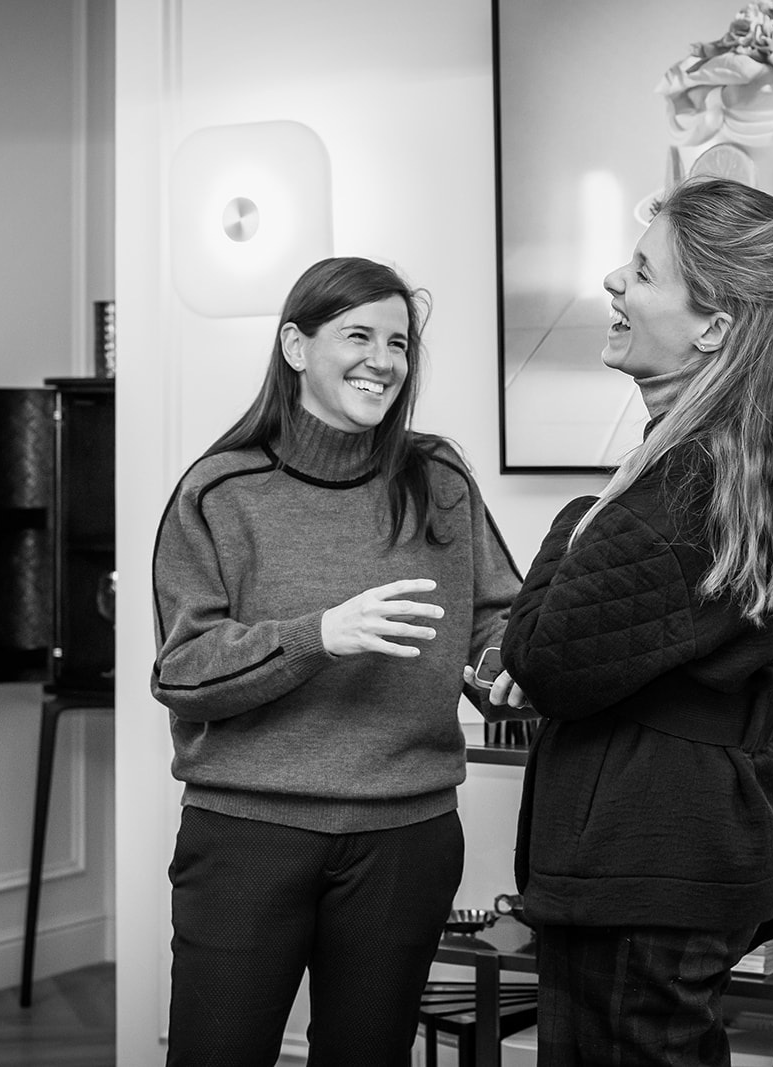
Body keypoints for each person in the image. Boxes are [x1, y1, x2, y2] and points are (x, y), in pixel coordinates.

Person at [484, 176, 773, 1066]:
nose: (614, 280)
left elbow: (544, 661)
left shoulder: (680, 488)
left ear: (714, 329)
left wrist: (580, 520)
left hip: (642, 867)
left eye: (645, 272)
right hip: (688, 857)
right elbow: (621, 650)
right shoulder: (740, 470)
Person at [151, 256, 522, 1067]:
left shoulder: (439, 478)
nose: (383, 361)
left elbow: (496, 616)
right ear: (296, 346)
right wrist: (319, 635)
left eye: (399, 343)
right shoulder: (221, 490)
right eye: (359, 336)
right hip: (248, 836)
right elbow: (182, 670)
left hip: (407, 836)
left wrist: (504, 666)